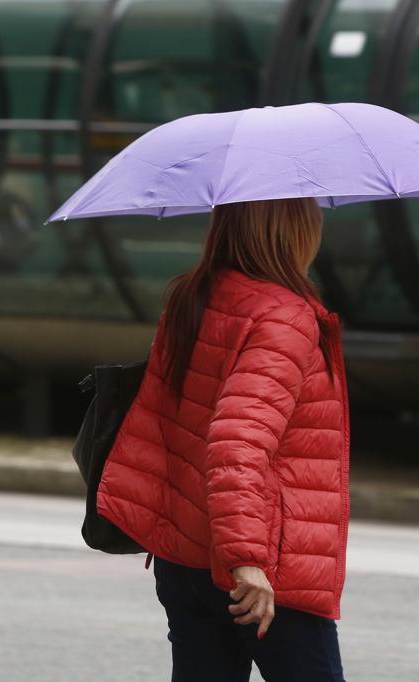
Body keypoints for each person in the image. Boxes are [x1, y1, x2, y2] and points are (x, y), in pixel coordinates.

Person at [94, 197, 350, 681]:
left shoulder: (195, 296)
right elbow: (237, 444)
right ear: (290, 229)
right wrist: (246, 561)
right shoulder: (284, 317)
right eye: (311, 213)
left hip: (184, 556)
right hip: (260, 567)